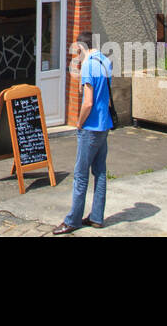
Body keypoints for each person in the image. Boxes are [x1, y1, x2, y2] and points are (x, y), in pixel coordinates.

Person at [53, 32, 113, 234]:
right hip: (105, 125)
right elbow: (104, 93)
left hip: (91, 126)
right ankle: (97, 216)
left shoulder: (88, 65)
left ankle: (73, 220)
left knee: (80, 175)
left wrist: (79, 123)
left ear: (81, 47)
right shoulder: (105, 61)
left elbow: (87, 102)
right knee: (100, 172)